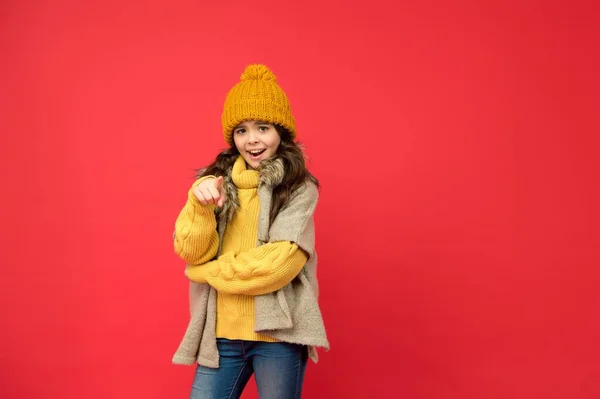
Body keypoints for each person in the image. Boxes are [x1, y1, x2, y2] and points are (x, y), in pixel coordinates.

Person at [171, 64, 329, 399]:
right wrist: (199, 207)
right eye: (241, 131)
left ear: (280, 132)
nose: (252, 139)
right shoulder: (213, 185)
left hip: (278, 337)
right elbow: (190, 251)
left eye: (262, 128)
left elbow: (278, 266)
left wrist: (205, 272)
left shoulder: (299, 188)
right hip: (221, 336)